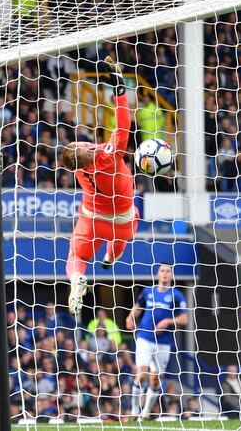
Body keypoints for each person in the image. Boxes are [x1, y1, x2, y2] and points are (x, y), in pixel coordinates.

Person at [62, 56, 139, 315]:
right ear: (84, 150)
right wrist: (119, 88)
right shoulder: (108, 156)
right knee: (122, 238)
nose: (83, 142)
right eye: (81, 145)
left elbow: (79, 154)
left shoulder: (81, 171)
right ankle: (109, 258)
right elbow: (123, 124)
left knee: (77, 257)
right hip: (122, 219)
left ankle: (76, 279)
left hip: (92, 217)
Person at [125, 263, 187, 420]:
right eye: (162, 271)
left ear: (171, 275)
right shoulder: (148, 291)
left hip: (163, 342)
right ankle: (134, 411)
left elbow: (184, 318)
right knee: (141, 374)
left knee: (155, 380)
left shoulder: (176, 295)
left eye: (168, 271)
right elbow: (138, 306)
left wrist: (168, 321)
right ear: (157, 274)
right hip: (144, 337)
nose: (165, 274)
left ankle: (145, 413)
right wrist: (130, 317)